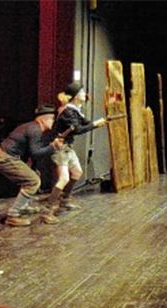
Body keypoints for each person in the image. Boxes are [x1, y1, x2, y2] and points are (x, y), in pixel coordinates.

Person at [46, 81, 110, 223]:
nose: (84, 94)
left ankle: (64, 200)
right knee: (64, 178)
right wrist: (95, 124)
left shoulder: (74, 110)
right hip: (60, 147)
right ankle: (48, 210)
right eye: (81, 92)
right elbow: (79, 129)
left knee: (77, 173)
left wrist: (101, 122)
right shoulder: (68, 111)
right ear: (75, 96)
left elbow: (84, 122)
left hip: (67, 147)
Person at [0, 104, 64, 226]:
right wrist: (53, 147)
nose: (53, 121)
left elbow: (29, 152)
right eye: (52, 118)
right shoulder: (35, 129)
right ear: (44, 119)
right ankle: (13, 215)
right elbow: (35, 153)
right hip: (5, 158)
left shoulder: (31, 127)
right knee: (33, 181)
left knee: (34, 175)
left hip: (7, 156)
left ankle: (23, 206)